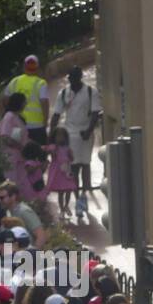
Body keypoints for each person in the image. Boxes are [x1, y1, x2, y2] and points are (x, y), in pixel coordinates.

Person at [49, 65, 102, 224]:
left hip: (85, 135)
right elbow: (57, 115)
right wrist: (51, 136)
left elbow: (95, 114)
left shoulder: (90, 92)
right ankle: (78, 199)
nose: (71, 81)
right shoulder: (64, 93)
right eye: (69, 78)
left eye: (74, 78)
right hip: (70, 135)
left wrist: (88, 130)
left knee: (85, 166)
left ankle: (83, 199)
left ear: (80, 77)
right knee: (73, 169)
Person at [6, 54, 50, 143]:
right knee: (40, 152)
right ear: (37, 68)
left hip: (18, 126)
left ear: (24, 67)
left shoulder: (14, 81)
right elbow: (44, 103)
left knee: (22, 154)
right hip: (37, 127)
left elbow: (6, 100)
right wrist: (45, 122)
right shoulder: (41, 83)